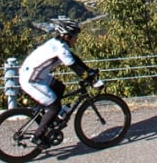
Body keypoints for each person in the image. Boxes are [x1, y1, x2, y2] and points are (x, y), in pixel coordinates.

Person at [18, 18, 98, 148]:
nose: (76, 38)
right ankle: (38, 136)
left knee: (60, 87)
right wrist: (91, 79)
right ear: (67, 36)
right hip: (31, 80)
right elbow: (74, 67)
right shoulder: (61, 49)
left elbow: (75, 59)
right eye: (75, 36)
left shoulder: (57, 42)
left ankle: (47, 115)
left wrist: (88, 71)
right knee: (54, 105)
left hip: (36, 75)